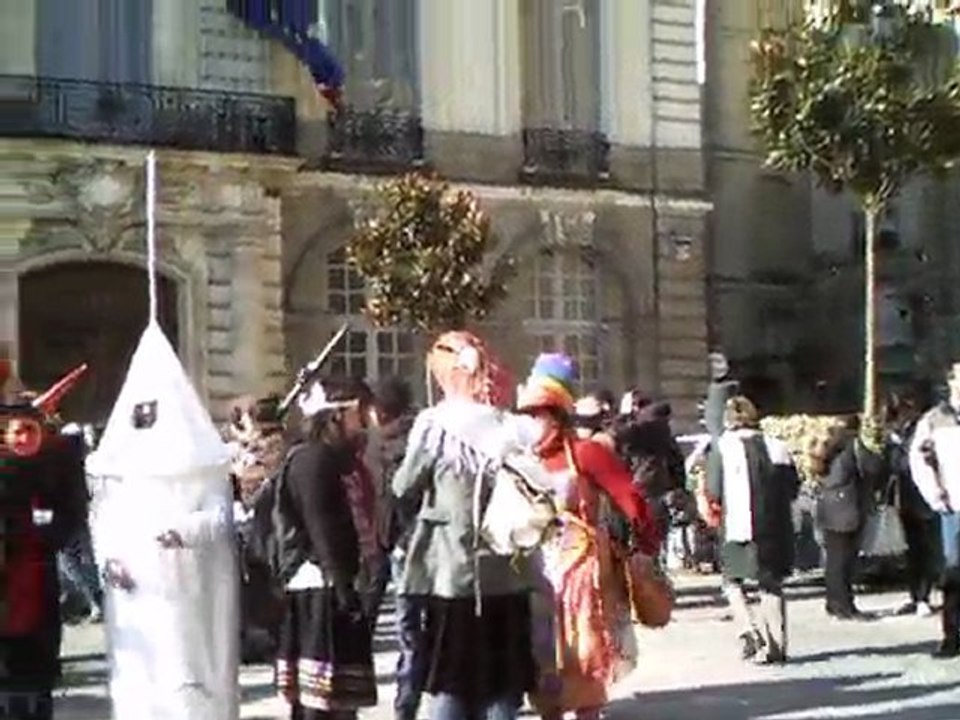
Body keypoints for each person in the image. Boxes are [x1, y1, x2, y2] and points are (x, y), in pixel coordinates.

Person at [88, 321, 240, 720]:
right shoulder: (120, 477)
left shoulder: (201, 470)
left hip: (187, 588)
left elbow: (219, 518)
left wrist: (182, 533)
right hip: (137, 593)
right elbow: (102, 523)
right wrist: (110, 563)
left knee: (186, 668)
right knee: (144, 674)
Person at [391, 331, 534, 720]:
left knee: (452, 679)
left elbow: (404, 485)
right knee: (503, 683)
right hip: (510, 571)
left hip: (455, 575)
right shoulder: (513, 427)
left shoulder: (437, 426)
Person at [518, 355, 659, 720]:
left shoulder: (586, 453)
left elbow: (633, 501)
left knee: (583, 660)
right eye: (528, 414)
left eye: (541, 413)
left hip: (580, 574)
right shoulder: (517, 458)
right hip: (531, 575)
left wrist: (645, 550)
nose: (534, 422)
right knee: (540, 666)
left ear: (559, 415)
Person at [274, 377, 378, 718]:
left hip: (335, 587)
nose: (364, 422)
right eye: (359, 412)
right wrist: (344, 587)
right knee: (319, 705)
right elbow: (323, 528)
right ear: (337, 415)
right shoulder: (312, 461)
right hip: (320, 591)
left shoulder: (337, 460)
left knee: (339, 702)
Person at [0, 363, 89, 720]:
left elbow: (70, 516)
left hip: (36, 589)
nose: (23, 439)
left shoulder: (54, 471)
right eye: (17, 431)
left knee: (36, 681)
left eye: (30, 431)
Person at [705, 395, 800, 663]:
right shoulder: (777, 446)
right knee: (771, 584)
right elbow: (792, 486)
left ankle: (748, 629)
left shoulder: (722, 448)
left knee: (732, 581)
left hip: (737, 525)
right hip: (774, 527)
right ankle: (777, 646)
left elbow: (714, 490)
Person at [365, 377, 423, 720]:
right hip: (386, 542)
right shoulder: (378, 443)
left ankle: (406, 705)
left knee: (409, 630)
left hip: (403, 543)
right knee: (401, 628)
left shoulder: (403, 443)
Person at [910, 362, 960, 658]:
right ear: (951, 382)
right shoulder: (934, 420)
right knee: (954, 576)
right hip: (953, 507)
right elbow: (918, 461)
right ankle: (953, 635)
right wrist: (935, 495)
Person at [813, 416, 882, 621]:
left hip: (828, 506)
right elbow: (872, 468)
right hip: (848, 507)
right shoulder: (853, 445)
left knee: (833, 559)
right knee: (845, 560)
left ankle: (833, 602)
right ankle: (845, 605)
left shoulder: (826, 444)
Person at [887, 391, 940, 618]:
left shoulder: (923, 432)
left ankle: (924, 595)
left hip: (925, 499)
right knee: (913, 551)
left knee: (925, 550)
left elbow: (911, 463)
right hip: (907, 499)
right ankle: (916, 595)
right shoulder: (905, 431)